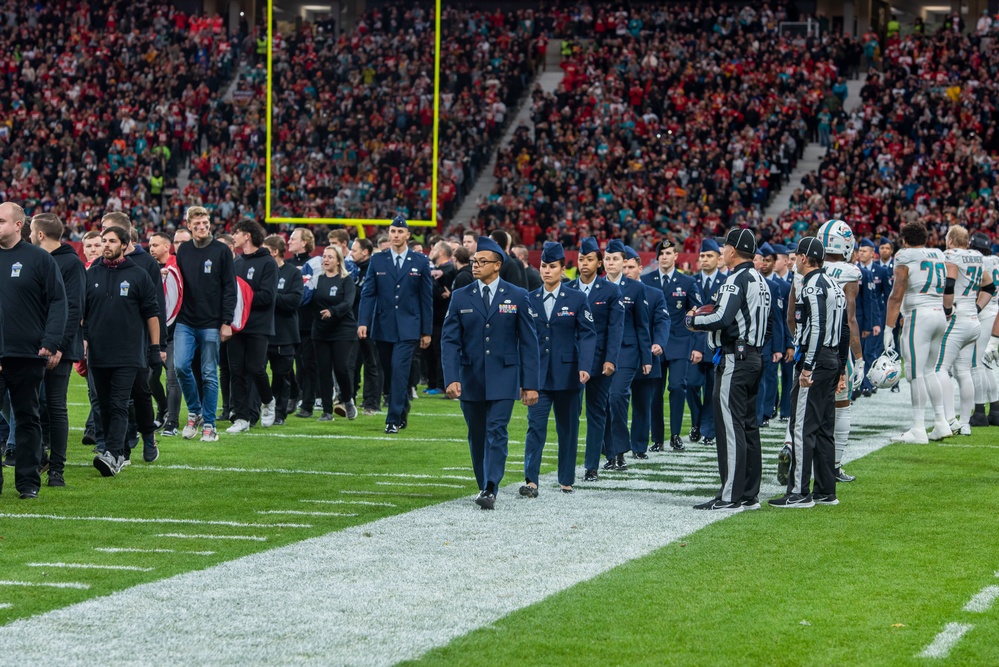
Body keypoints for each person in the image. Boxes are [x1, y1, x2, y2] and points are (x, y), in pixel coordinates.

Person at [442, 236, 540, 509]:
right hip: (470, 376)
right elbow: (449, 339)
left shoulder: (518, 295)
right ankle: (483, 481)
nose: (476, 265)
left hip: (505, 376)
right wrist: (451, 377)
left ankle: (490, 486)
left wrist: (530, 383)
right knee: (476, 433)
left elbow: (530, 342)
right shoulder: (461, 295)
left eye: (482, 262)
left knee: (497, 431)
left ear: (497, 265)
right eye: (474, 261)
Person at [687, 228, 770, 512]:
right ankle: (748, 492)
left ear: (733, 251)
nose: (722, 252)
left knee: (731, 427)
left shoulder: (736, 278)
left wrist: (693, 320)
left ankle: (730, 494)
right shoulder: (761, 279)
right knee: (748, 426)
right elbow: (767, 325)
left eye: (725, 248)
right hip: (755, 356)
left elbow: (722, 316)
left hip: (736, 359)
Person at [771, 237, 849, 508]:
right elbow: (845, 330)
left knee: (802, 427)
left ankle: (799, 493)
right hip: (830, 359)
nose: (793, 261)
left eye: (796, 256)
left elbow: (817, 326)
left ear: (804, 258)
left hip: (815, 360)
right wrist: (840, 367)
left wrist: (807, 366)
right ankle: (826, 491)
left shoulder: (813, 285)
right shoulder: (835, 286)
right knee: (825, 428)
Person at [0, 202, 67, 499]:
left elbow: (57, 301)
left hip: (27, 354)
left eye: (1, 221)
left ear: (18, 225)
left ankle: (27, 483)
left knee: (27, 418)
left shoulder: (39, 259)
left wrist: (51, 341)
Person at [85, 227, 163, 477]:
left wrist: (155, 348)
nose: (106, 245)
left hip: (128, 352)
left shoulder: (139, 275)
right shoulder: (92, 273)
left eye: (111, 241)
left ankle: (114, 453)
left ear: (125, 244)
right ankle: (113, 450)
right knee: (104, 405)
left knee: (119, 403)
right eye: (103, 241)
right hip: (98, 352)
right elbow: (82, 313)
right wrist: (83, 340)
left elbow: (152, 315)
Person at [522, 242, 595, 495]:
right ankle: (531, 480)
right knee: (535, 428)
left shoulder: (577, 298)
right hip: (538, 378)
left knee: (568, 429)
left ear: (563, 269)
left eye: (552, 266)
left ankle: (566, 479)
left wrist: (585, 365)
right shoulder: (528, 299)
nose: (546, 271)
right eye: (543, 266)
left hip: (569, 375)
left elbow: (588, 334)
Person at [358, 215, 433, 433]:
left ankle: (392, 419)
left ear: (408, 235)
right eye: (392, 231)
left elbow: (425, 298)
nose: (396, 235)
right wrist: (363, 321)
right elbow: (368, 294)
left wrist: (426, 331)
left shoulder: (420, 261)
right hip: (383, 325)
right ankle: (402, 409)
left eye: (400, 232)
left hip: (409, 327)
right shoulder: (378, 260)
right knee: (390, 374)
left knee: (399, 371)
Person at [102, 212, 165, 461]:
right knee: (114, 398)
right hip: (107, 342)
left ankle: (148, 435)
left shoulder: (145, 263)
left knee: (139, 392)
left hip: (137, 341)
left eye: (110, 233)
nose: (105, 239)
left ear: (124, 237)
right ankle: (121, 444)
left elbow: (155, 307)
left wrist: (159, 344)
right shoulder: (99, 266)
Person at [29, 213, 85, 487]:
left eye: (31, 231)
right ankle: (40, 456)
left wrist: (59, 346)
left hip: (59, 348)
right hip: (33, 344)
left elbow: (73, 307)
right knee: (32, 405)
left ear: (40, 234)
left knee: (55, 405)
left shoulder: (71, 263)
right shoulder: (36, 258)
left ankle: (57, 469)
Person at [174, 205, 237, 443]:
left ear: (210, 224)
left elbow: (230, 288)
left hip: (212, 323)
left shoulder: (221, 251)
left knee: (210, 374)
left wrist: (226, 322)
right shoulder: (184, 251)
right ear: (189, 226)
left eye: (205, 223)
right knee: (180, 366)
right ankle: (195, 412)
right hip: (186, 321)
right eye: (196, 224)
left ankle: (209, 425)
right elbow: (178, 285)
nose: (201, 228)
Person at [885, 221, 950, 444]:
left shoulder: (904, 256)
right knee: (930, 371)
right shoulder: (939, 254)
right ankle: (941, 422)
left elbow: (897, 293)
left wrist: (888, 327)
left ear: (904, 240)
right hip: (939, 313)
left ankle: (918, 428)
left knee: (915, 373)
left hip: (919, 315)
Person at [568, 237, 623, 482]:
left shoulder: (611, 290)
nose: (584, 264)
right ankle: (567, 463)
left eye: (589, 259)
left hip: (600, 362)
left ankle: (592, 466)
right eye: (581, 259)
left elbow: (615, 328)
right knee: (569, 413)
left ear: (599, 262)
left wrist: (611, 359)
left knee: (596, 413)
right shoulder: (567, 288)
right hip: (571, 362)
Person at [641, 239, 701, 452]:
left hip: (679, 342)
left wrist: (697, 346)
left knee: (677, 386)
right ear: (657, 257)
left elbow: (698, 316)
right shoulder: (645, 280)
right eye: (661, 253)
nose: (665, 256)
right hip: (654, 344)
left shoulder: (687, 282)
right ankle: (657, 438)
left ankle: (675, 435)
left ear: (676, 256)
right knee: (655, 393)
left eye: (668, 253)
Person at [934, 226, 993, 435]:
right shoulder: (976, 257)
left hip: (957, 318)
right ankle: (965, 423)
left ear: (950, 240)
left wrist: (947, 310)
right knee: (964, 370)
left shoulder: (950, 255)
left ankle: (950, 420)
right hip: (973, 319)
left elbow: (949, 283)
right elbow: (990, 286)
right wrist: (977, 308)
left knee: (939, 368)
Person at [602, 239, 652, 470]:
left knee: (617, 397)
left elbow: (643, 325)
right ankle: (608, 452)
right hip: (601, 352)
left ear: (624, 262)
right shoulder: (597, 286)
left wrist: (647, 358)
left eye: (615, 259)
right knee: (602, 401)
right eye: (608, 258)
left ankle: (619, 451)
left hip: (628, 351)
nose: (611, 262)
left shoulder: (636, 287)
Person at [226, 220, 278, 433]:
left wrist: (243, 297)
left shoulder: (268, 263)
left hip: (258, 325)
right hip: (237, 326)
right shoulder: (236, 263)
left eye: (236, 233)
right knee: (235, 370)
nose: (233, 237)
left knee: (256, 368)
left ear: (247, 235)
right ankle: (242, 418)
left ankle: (268, 401)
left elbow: (267, 296)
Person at [624, 246, 669, 459]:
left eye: (630, 267)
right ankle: (616, 447)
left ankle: (639, 446)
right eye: (623, 267)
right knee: (615, 403)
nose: (626, 271)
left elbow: (662, 320)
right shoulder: (609, 291)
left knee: (643, 403)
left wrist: (659, 343)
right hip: (619, 357)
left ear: (640, 269)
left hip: (646, 356)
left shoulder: (654, 294)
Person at [308, 245, 358, 421]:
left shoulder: (346, 280)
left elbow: (348, 303)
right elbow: (308, 299)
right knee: (323, 370)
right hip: (320, 330)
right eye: (324, 256)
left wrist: (332, 311)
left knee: (341, 368)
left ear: (338, 261)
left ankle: (347, 399)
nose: (326, 259)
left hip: (343, 329)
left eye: (330, 257)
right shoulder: (317, 279)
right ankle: (327, 411)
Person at [263, 234, 303, 426]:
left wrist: (269, 296)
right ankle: (257, 411)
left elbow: (294, 301)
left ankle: (279, 414)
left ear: (274, 252)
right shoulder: (263, 271)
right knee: (256, 372)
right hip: (262, 331)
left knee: (282, 376)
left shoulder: (292, 273)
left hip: (285, 333)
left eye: (265, 251)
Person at [690, 239, 726, 447]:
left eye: (709, 256)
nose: (704, 259)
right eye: (702, 256)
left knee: (714, 390)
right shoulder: (691, 281)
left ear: (719, 259)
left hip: (715, 344)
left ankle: (709, 431)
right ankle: (697, 422)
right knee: (691, 385)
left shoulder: (727, 281)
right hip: (694, 344)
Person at [147, 231, 182, 436]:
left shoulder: (176, 268)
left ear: (167, 247)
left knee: (171, 376)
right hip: (153, 330)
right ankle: (163, 407)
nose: (151, 248)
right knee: (150, 378)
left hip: (172, 330)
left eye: (156, 245)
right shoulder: (148, 267)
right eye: (150, 245)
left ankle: (173, 421)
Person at [289, 228, 322, 417]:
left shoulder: (315, 264)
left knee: (307, 363)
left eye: (293, 239)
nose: (289, 242)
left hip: (308, 321)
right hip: (290, 321)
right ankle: (296, 394)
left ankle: (307, 403)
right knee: (289, 365)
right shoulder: (287, 264)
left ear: (304, 242)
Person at [754, 243, 788, 429]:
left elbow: (778, 319)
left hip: (766, 342)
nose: (763, 264)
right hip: (748, 341)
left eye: (767, 260)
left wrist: (778, 347)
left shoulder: (774, 286)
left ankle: (764, 413)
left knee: (767, 378)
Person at [349, 237, 381, 416]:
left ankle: (371, 402)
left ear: (365, 252)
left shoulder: (372, 269)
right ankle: (349, 398)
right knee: (351, 363)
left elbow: (369, 295)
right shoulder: (354, 269)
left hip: (369, 322)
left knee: (372, 363)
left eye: (354, 250)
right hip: (353, 321)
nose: (351, 253)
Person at [970, 232, 999, 426]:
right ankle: (995, 410)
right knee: (989, 364)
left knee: (977, 364)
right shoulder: (996, 260)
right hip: (995, 312)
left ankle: (980, 410)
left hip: (984, 311)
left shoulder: (978, 261)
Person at [425, 241, 456, 395]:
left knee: (440, 351)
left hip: (443, 319)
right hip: (433, 318)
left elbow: (452, 274)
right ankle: (433, 383)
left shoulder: (449, 269)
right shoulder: (437, 270)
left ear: (442, 252)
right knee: (431, 352)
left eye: (435, 248)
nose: (432, 250)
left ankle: (442, 384)